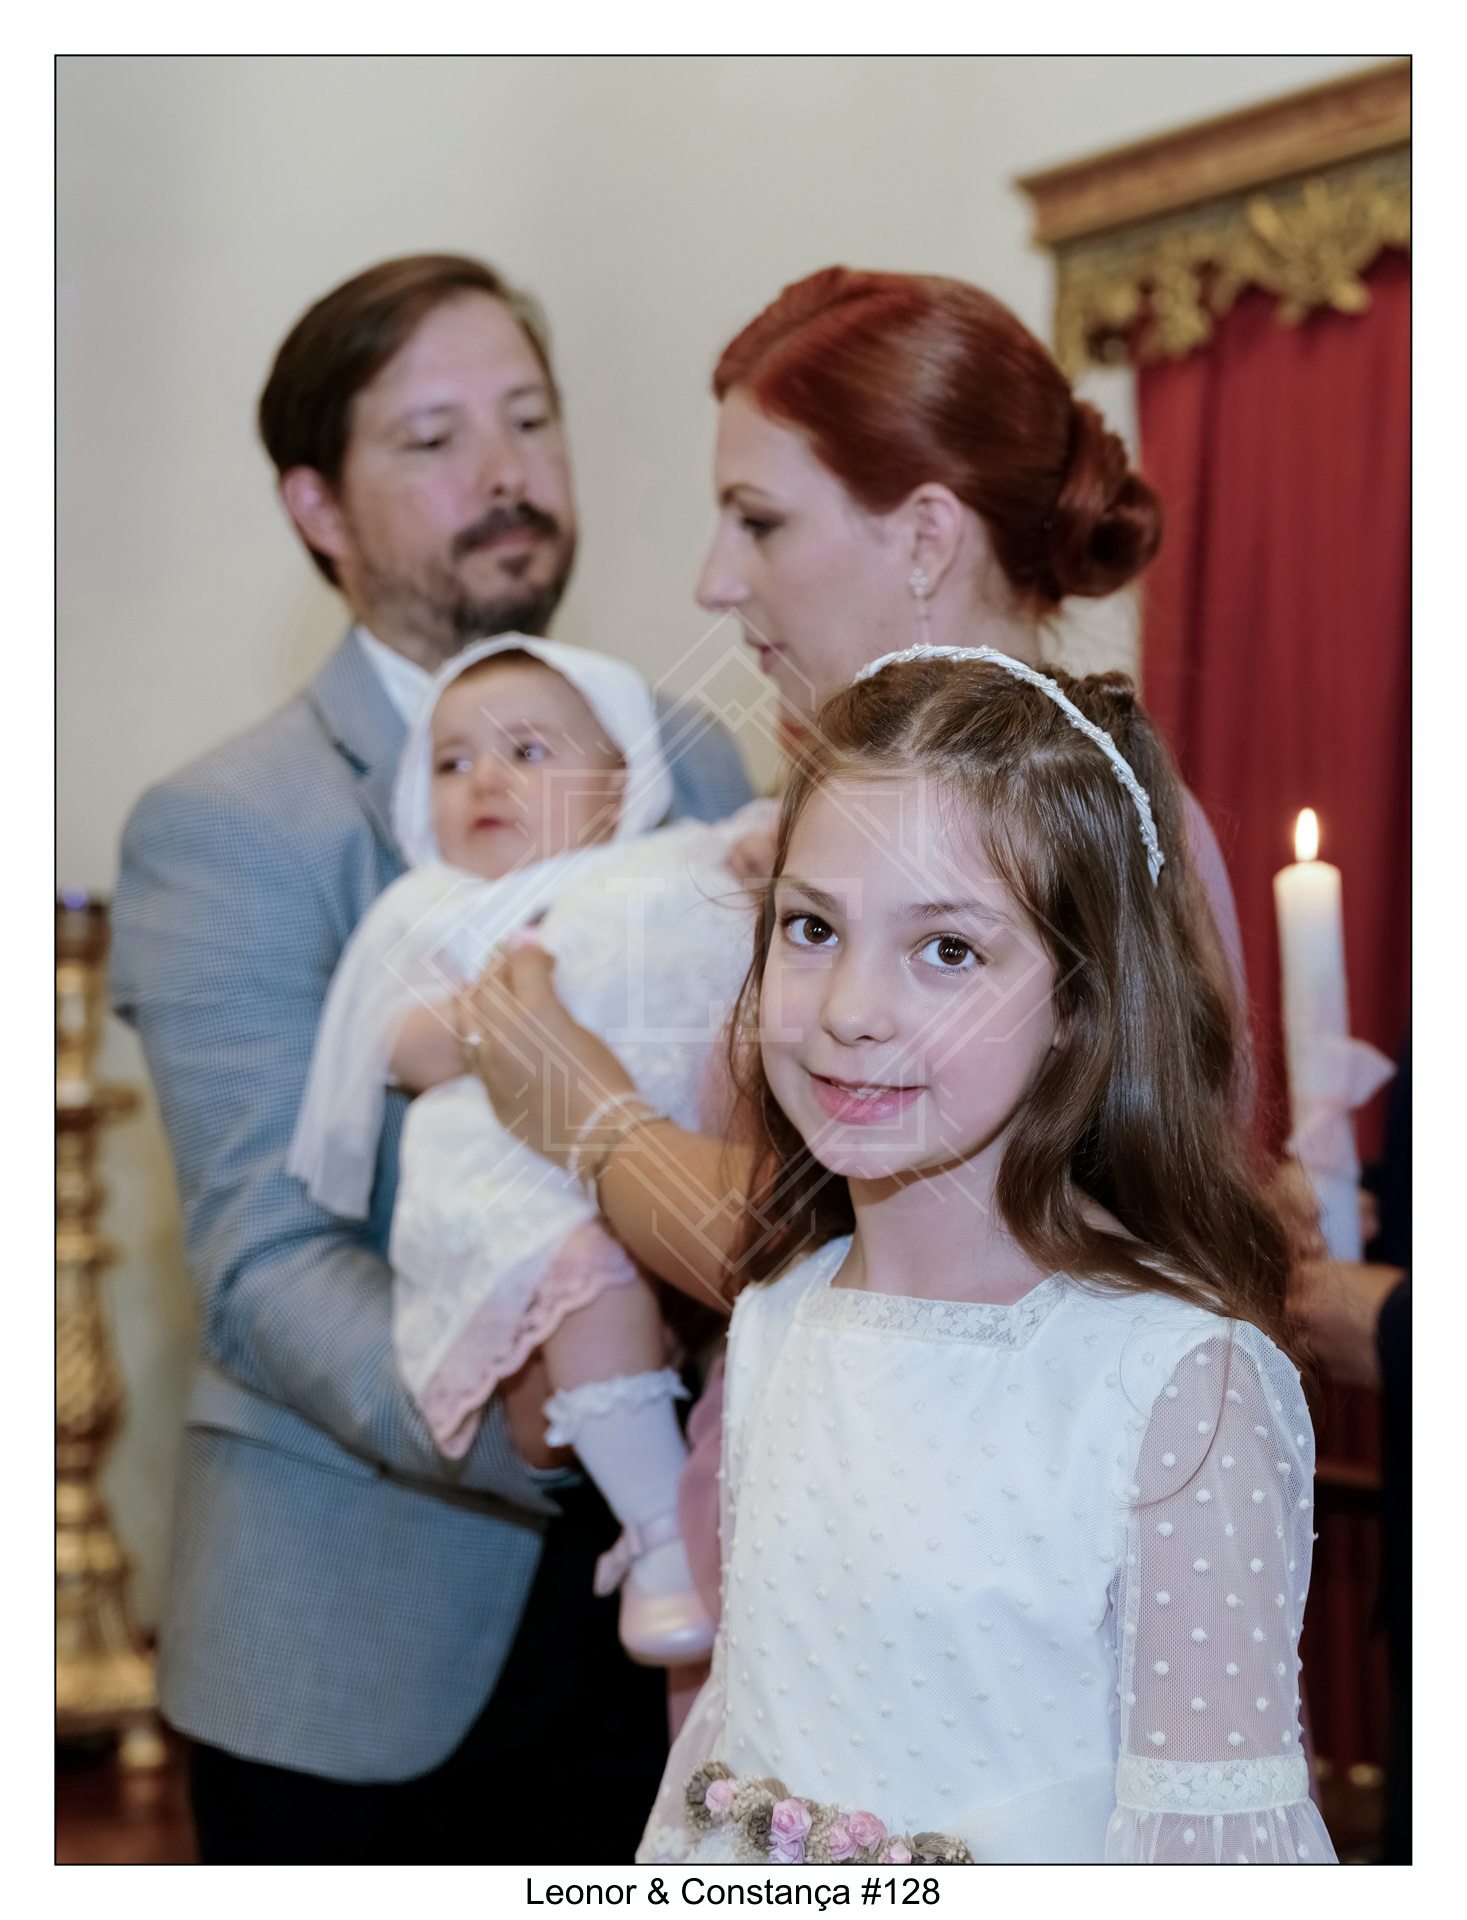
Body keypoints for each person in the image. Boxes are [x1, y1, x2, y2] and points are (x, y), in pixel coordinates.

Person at [468, 650, 1336, 1863]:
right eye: (812, 927)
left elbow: (1212, 1846)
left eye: (948, 951)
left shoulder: (1184, 1387)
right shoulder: (780, 1315)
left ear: (1082, 1001)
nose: (849, 1010)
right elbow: (737, 1745)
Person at [109, 253, 752, 1864]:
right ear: (316, 506)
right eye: (434, 437)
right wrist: (539, 1397)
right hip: (368, 1645)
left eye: (529, 418)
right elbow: (263, 1265)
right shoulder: (229, 824)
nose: (505, 470)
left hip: (719, 1614)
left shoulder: (685, 760)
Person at [289, 635, 771, 1665]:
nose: (485, 780)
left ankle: (738, 1520)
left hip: (689, 1163)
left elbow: (767, 856)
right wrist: (497, 1022)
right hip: (514, 1166)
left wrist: (761, 851)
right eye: (452, 761)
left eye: (527, 751)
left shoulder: (673, 857)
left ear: (619, 781)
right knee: (590, 1283)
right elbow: (401, 1042)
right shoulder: (436, 911)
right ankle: (657, 1533)